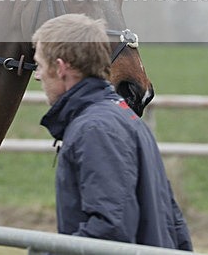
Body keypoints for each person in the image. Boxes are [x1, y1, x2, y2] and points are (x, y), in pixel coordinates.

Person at [32, 13, 193, 250]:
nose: (37, 75)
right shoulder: (124, 117)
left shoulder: (95, 130)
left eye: (39, 65)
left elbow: (109, 231)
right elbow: (174, 221)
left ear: (60, 67)